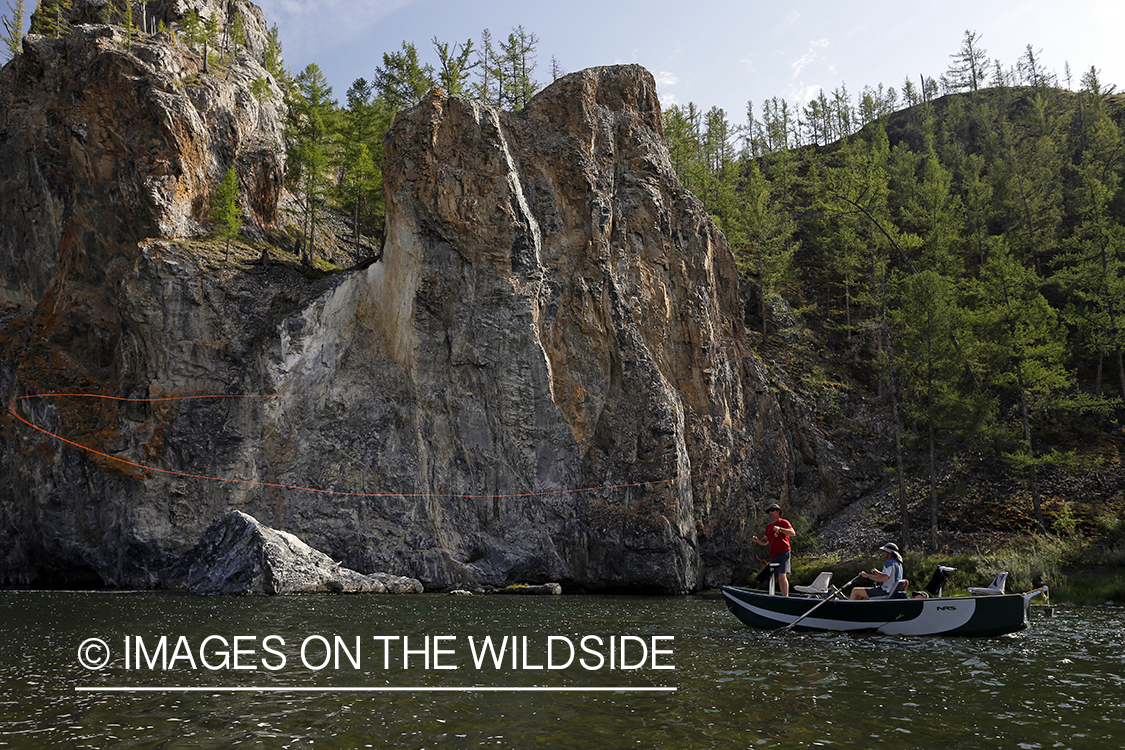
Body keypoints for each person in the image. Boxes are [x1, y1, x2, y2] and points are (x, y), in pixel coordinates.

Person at [752, 504, 795, 596]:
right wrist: (757, 540)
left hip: (784, 552)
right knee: (773, 576)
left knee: (781, 576)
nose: (770, 513)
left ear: (778, 511)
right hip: (773, 554)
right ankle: (774, 596)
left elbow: (792, 533)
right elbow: (765, 541)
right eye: (769, 511)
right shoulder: (769, 526)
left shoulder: (784, 522)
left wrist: (780, 529)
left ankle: (785, 598)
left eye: (772, 510)